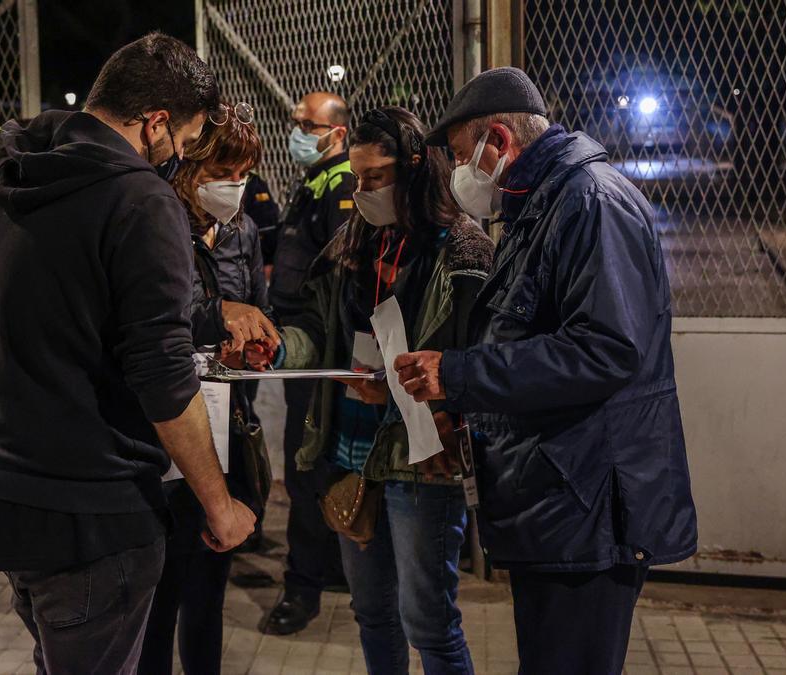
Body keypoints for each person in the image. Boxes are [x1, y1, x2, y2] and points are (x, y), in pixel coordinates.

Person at [0, 33, 257, 674]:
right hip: (94, 513)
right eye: (190, 142)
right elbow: (162, 374)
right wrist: (220, 506)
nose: (184, 159)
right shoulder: (141, 199)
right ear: (156, 123)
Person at [394, 67, 698, 673]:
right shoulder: (543, 204)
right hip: (559, 504)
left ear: (499, 142)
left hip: (586, 511)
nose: (459, 176)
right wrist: (468, 411)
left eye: (461, 156)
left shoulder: (590, 202)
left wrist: (458, 374)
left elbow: (605, 350)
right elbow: (530, 339)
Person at [250, 107, 492, 674]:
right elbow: (316, 330)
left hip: (420, 462)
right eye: (356, 177)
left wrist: (430, 397)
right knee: (372, 612)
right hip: (350, 453)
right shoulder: (350, 242)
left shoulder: (462, 251)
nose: (361, 190)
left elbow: (483, 361)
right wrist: (279, 349)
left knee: (430, 622)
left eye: (375, 178)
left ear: (414, 170)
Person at [138, 102, 277, 675]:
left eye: (244, 173)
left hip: (226, 426)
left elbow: (262, 313)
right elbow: (157, 318)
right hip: (169, 433)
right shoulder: (155, 221)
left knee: (207, 595)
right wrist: (221, 313)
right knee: (157, 603)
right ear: (188, 166)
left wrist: (256, 345)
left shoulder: (244, 230)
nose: (235, 187)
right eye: (222, 173)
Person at [263, 91, 356, 635]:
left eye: (307, 124)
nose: (296, 130)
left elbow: (337, 283)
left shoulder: (341, 186)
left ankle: (303, 589)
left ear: (336, 133)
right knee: (316, 466)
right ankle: (329, 569)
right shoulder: (317, 181)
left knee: (306, 466)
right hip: (305, 347)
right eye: (295, 121)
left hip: (318, 353)